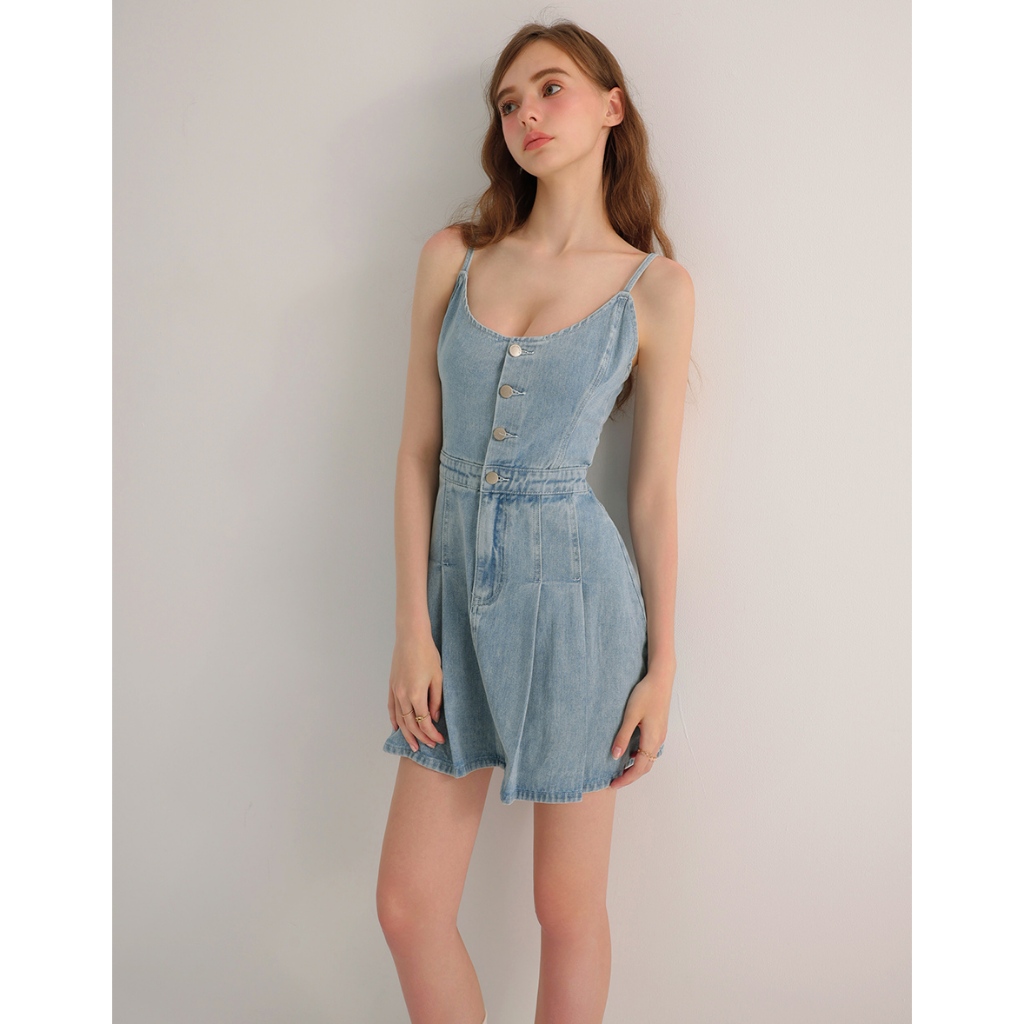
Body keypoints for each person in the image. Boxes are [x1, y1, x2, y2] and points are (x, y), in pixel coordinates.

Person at [376, 18, 695, 1024]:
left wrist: (663, 667)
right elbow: (416, 454)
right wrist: (412, 629)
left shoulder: (656, 288)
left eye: (550, 88)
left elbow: (651, 491)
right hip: (450, 604)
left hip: (580, 607)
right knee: (408, 906)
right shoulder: (453, 258)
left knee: (566, 907)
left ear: (611, 106)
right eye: (509, 102)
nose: (525, 114)